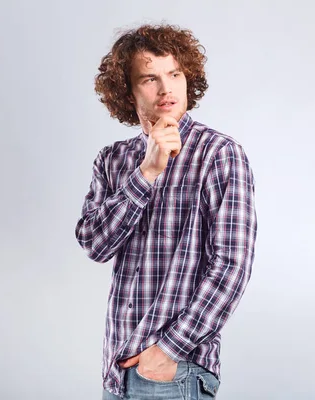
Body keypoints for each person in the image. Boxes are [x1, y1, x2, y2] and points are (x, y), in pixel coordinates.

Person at [75, 23, 258, 399]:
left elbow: (230, 268)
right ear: (128, 91)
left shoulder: (219, 154)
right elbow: (94, 244)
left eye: (174, 74)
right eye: (149, 78)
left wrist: (168, 351)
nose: (166, 89)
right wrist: (147, 173)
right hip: (116, 371)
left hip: (173, 374)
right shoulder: (112, 160)